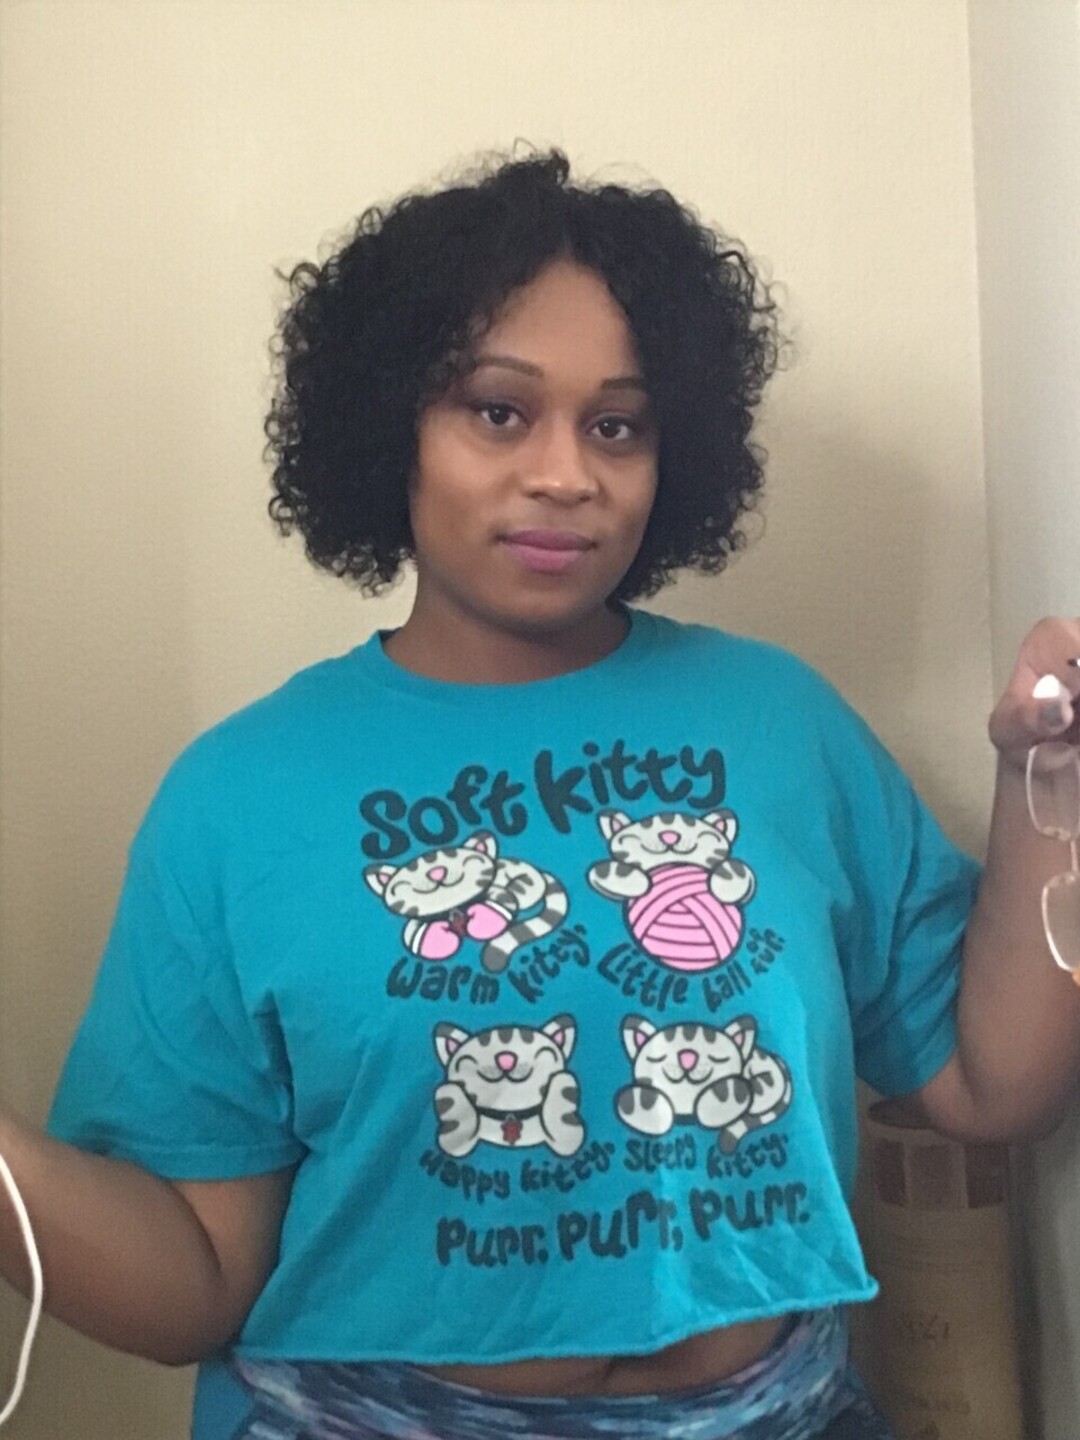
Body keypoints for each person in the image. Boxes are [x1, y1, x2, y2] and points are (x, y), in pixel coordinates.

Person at [1, 147, 1078, 1440]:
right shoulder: (238, 798)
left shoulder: (780, 725)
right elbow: (192, 1280)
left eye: (616, 425)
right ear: (390, 428)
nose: (567, 473)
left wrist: (1047, 776)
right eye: (500, 412)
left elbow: (995, 1087)